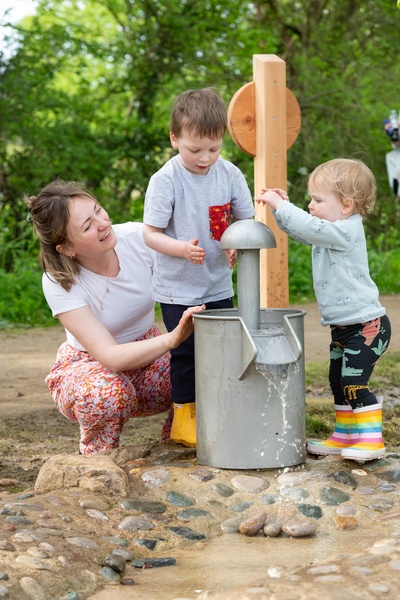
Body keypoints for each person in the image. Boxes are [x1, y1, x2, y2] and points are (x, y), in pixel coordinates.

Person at [26, 180, 204, 455]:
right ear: (66, 248)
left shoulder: (136, 239)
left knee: (201, 369)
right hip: (88, 367)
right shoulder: (58, 281)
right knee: (108, 393)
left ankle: (177, 448)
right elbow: (110, 356)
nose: (102, 223)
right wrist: (173, 339)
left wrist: (223, 247)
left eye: (98, 210)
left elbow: (188, 254)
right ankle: (98, 463)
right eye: (87, 226)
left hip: (148, 358)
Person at [256, 158, 391, 462]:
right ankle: (344, 436)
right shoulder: (329, 231)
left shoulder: (346, 231)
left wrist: (283, 206)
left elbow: (310, 225)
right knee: (337, 382)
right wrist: (282, 210)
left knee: (354, 382)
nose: (311, 205)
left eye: (317, 200)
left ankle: (371, 439)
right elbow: (303, 232)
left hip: (368, 328)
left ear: (346, 205)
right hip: (344, 329)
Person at [143, 88, 255, 448]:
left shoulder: (231, 174)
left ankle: (221, 411)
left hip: (219, 284)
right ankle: (184, 418)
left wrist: (236, 241)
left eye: (214, 149)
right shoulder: (165, 181)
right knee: (186, 354)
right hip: (179, 288)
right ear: (175, 138)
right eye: (195, 150)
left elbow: (246, 219)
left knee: (225, 349)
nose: (205, 158)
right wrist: (180, 249)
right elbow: (150, 234)